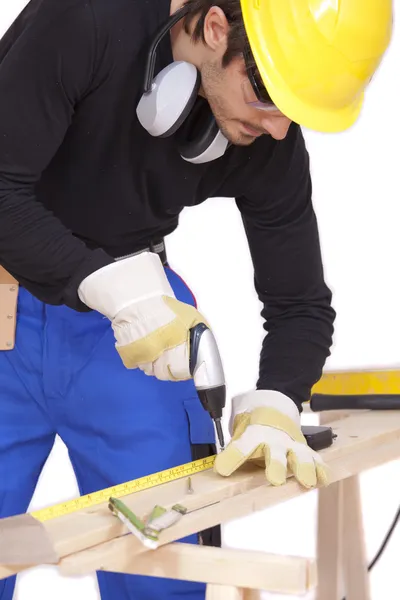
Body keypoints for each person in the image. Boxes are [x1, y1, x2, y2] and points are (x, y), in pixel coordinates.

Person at [0, 0, 392, 598]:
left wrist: (279, 403)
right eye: (266, 97)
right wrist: (100, 283)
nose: (279, 128)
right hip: (10, 308)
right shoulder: (86, 19)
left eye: (294, 109)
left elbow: (301, 302)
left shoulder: (269, 133)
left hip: (135, 331)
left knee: (167, 569)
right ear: (215, 29)